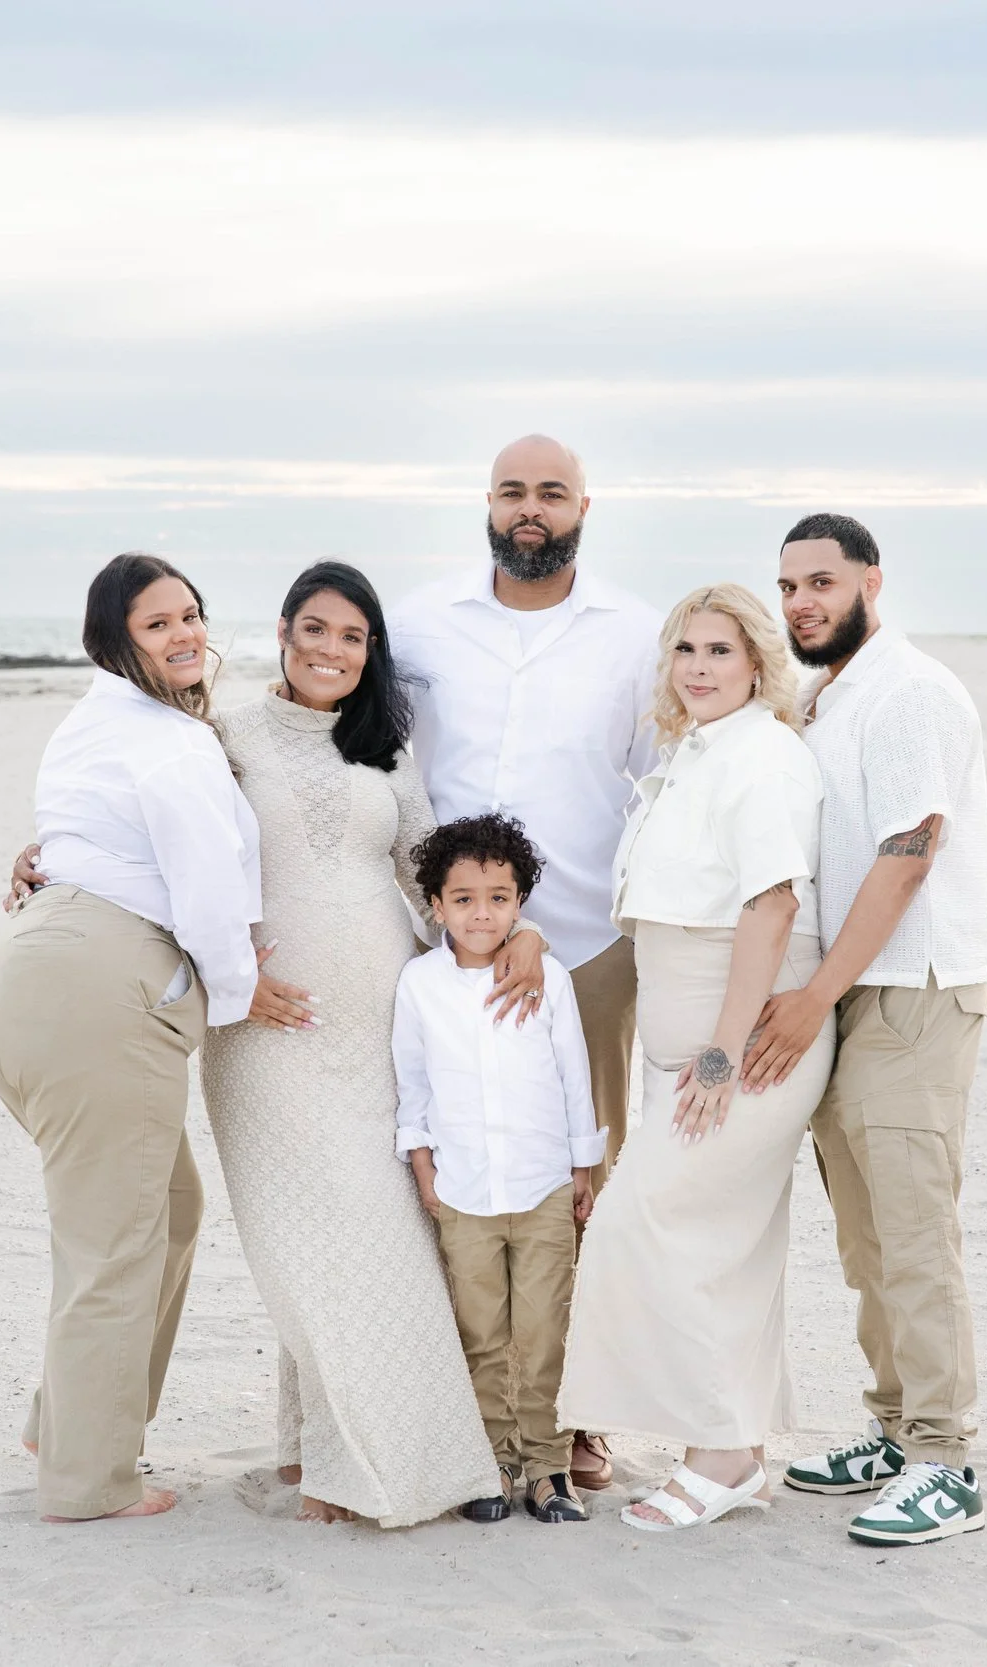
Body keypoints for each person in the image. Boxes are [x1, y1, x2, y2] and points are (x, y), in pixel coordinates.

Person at [12, 561, 539, 1526]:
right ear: (284, 633)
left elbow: (431, 870)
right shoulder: (222, 734)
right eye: (314, 630)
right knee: (323, 1231)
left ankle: (314, 1454)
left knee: (383, 1225)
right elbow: (140, 821)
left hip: (381, 1028)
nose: (331, 650)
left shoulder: (387, 746)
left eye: (352, 636)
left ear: (370, 650)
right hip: (265, 1030)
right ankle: (371, 1467)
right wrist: (47, 854)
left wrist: (519, 931)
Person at [389, 433, 662, 1493]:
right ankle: (456, 1401)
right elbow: (340, 734)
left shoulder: (635, 635)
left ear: (587, 505)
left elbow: (660, 787)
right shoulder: (420, 625)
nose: (530, 509)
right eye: (513, 492)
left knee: (575, 1183)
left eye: (551, 491)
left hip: (587, 948)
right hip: (434, 951)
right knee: (438, 1166)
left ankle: (575, 1416)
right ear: (487, 504)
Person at [0, 552, 257, 1523]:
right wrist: (237, 999)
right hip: (93, 990)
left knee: (167, 1208)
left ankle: (69, 1422)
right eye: (157, 624)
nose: (184, 634)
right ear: (115, 643)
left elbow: (79, 831)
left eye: (191, 615)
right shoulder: (172, 745)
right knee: (117, 1238)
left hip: (29, 972)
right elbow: (210, 896)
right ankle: (89, 1481)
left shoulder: (101, 719)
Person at [556, 583, 835, 1532]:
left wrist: (721, 1053)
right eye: (685, 649)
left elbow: (771, 904)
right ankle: (736, 1455)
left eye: (721, 650)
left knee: (648, 1222)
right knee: (723, 1245)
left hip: (741, 1045)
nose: (700, 667)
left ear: (758, 660)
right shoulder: (690, 754)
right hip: (685, 1039)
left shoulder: (764, 755)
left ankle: (717, 1451)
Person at [745, 512, 987, 1547]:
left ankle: (944, 1458)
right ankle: (892, 1430)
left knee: (912, 1229)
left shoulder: (908, 692)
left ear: (869, 583)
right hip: (849, 991)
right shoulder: (825, 697)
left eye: (822, 582)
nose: (802, 601)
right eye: (789, 585)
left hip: (911, 988)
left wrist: (813, 998)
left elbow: (908, 850)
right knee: (865, 1236)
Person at [394, 814, 606, 1526]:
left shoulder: (551, 979)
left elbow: (575, 1074)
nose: (481, 912)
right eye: (463, 898)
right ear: (435, 905)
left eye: (498, 897)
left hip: (543, 1181)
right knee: (481, 1331)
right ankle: (492, 1459)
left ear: (520, 905)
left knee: (544, 1328)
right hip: (462, 1188)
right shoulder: (420, 985)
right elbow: (412, 1083)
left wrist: (582, 1166)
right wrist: (423, 1168)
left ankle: (547, 1466)